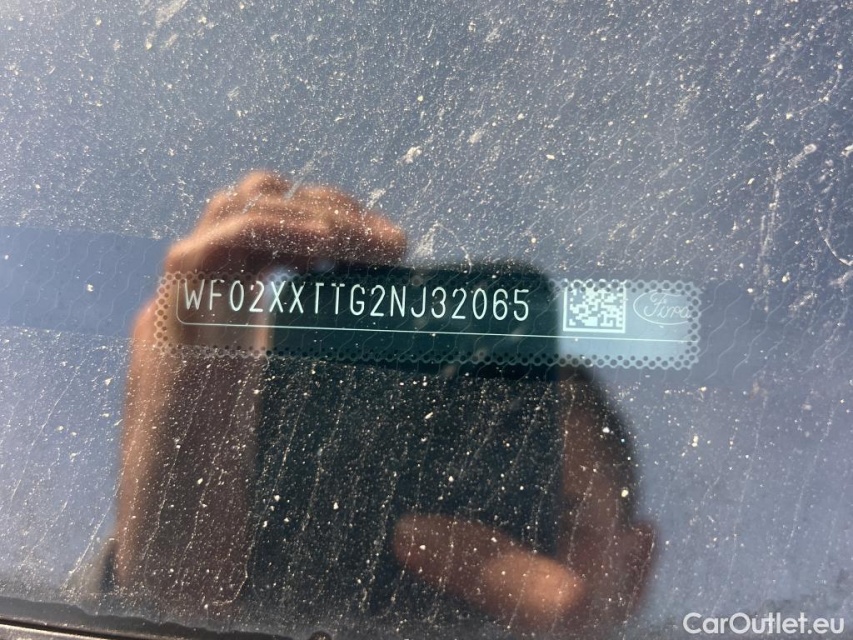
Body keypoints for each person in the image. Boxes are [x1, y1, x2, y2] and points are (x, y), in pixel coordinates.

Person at [107, 171, 655, 639]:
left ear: (635, 570)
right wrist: (166, 599)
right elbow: (179, 598)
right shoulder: (242, 601)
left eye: (542, 510)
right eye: (373, 489)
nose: (448, 543)